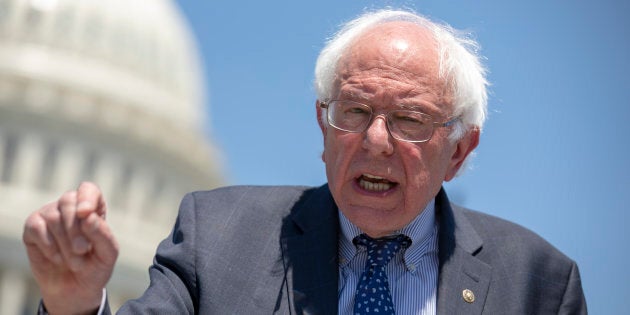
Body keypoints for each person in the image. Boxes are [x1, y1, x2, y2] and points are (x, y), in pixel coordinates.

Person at [22, 9, 587, 315]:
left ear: (459, 151)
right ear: (323, 125)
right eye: (355, 110)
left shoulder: (537, 283)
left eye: (410, 120)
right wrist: (73, 309)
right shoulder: (214, 238)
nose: (376, 140)